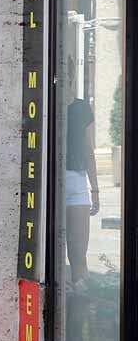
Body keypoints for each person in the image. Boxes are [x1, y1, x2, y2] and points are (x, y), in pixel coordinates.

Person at [64, 58, 99, 283]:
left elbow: (88, 149)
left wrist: (95, 190)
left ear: (71, 76)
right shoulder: (46, 107)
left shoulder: (81, 108)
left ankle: (80, 301)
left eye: (68, 73)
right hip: (50, 183)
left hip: (76, 182)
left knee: (78, 255)